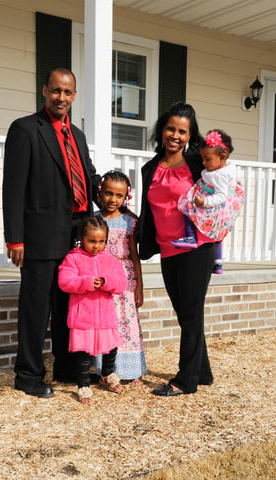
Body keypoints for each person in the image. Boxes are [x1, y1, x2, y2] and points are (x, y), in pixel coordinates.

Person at [2, 68, 100, 398]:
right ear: (45, 90)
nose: (61, 97)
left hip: (76, 233)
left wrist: (112, 193)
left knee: (66, 306)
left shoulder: (78, 135)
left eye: (68, 92)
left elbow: (86, 176)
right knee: (36, 308)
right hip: (40, 235)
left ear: (74, 96)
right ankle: (28, 374)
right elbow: (13, 188)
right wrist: (15, 238)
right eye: (56, 91)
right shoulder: (26, 129)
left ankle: (67, 367)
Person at [139, 102, 218, 397]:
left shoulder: (199, 162)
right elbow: (150, 208)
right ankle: (204, 371)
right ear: (162, 130)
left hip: (198, 245)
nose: (175, 135)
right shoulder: (150, 168)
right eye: (171, 128)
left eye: (182, 131)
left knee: (190, 313)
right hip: (168, 248)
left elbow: (223, 186)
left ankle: (186, 380)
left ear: (189, 136)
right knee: (184, 311)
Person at [58, 216, 128, 404]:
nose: (96, 245)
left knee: (111, 348)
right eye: (91, 241)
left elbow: (121, 283)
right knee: (84, 354)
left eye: (101, 241)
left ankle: (108, 374)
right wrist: (87, 282)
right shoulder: (72, 258)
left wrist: (106, 282)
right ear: (82, 237)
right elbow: (65, 282)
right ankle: (83, 384)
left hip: (106, 316)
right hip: (83, 317)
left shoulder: (110, 260)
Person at [95, 171, 148, 384]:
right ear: (100, 193)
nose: (112, 199)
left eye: (119, 195)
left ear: (126, 197)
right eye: (108, 193)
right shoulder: (93, 220)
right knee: (103, 321)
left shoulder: (130, 222)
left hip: (125, 279)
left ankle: (129, 370)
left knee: (126, 323)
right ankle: (103, 369)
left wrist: (139, 287)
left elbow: (135, 258)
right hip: (102, 277)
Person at [171, 129, 245, 275]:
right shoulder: (224, 169)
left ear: (222, 157)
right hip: (221, 205)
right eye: (203, 158)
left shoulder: (220, 176)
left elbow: (221, 196)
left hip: (215, 203)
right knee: (217, 234)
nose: (203, 163)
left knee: (188, 208)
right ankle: (217, 262)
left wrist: (204, 201)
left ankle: (191, 237)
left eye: (207, 159)